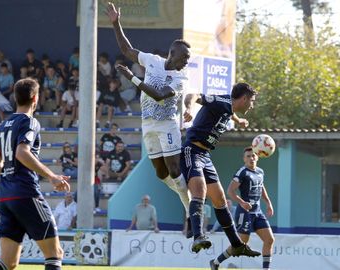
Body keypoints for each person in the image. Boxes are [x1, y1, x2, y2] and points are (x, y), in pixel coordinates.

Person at [106, 2, 192, 228]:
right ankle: (187, 197)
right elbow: (127, 50)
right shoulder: (152, 61)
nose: (186, 62)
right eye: (184, 58)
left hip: (168, 125)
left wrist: (132, 78)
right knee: (161, 173)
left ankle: (191, 210)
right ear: (173, 54)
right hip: (148, 124)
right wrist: (116, 23)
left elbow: (159, 96)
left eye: (188, 59)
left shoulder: (181, 78)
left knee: (174, 169)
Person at [0, 78, 70, 270]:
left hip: (6, 197)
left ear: (16, 98)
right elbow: (21, 152)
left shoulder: (5, 124)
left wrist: (11, 176)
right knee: (55, 254)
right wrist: (52, 176)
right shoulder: (30, 122)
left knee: (8, 263)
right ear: (35, 98)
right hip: (26, 194)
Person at [180, 82, 260, 256]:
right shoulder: (221, 102)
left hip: (205, 155)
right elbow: (193, 95)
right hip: (192, 151)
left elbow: (230, 114)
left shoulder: (228, 107)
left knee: (220, 201)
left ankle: (237, 245)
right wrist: (188, 109)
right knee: (199, 191)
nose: (252, 105)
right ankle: (198, 236)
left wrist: (239, 120)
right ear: (244, 98)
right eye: (251, 101)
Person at [210, 147, 275, 270]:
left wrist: (268, 203)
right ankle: (216, 262)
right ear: (244, 159)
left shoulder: (260, 172)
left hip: (257, 212)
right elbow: (230, 191)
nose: (251, 158)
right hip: (244, 213)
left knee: (270, 239)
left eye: (253, 155)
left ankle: (266, 269)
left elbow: (261, 187)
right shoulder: (242, 172)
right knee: (241, 244)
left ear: (258, 157)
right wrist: (242, 202)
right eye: (248, 156)